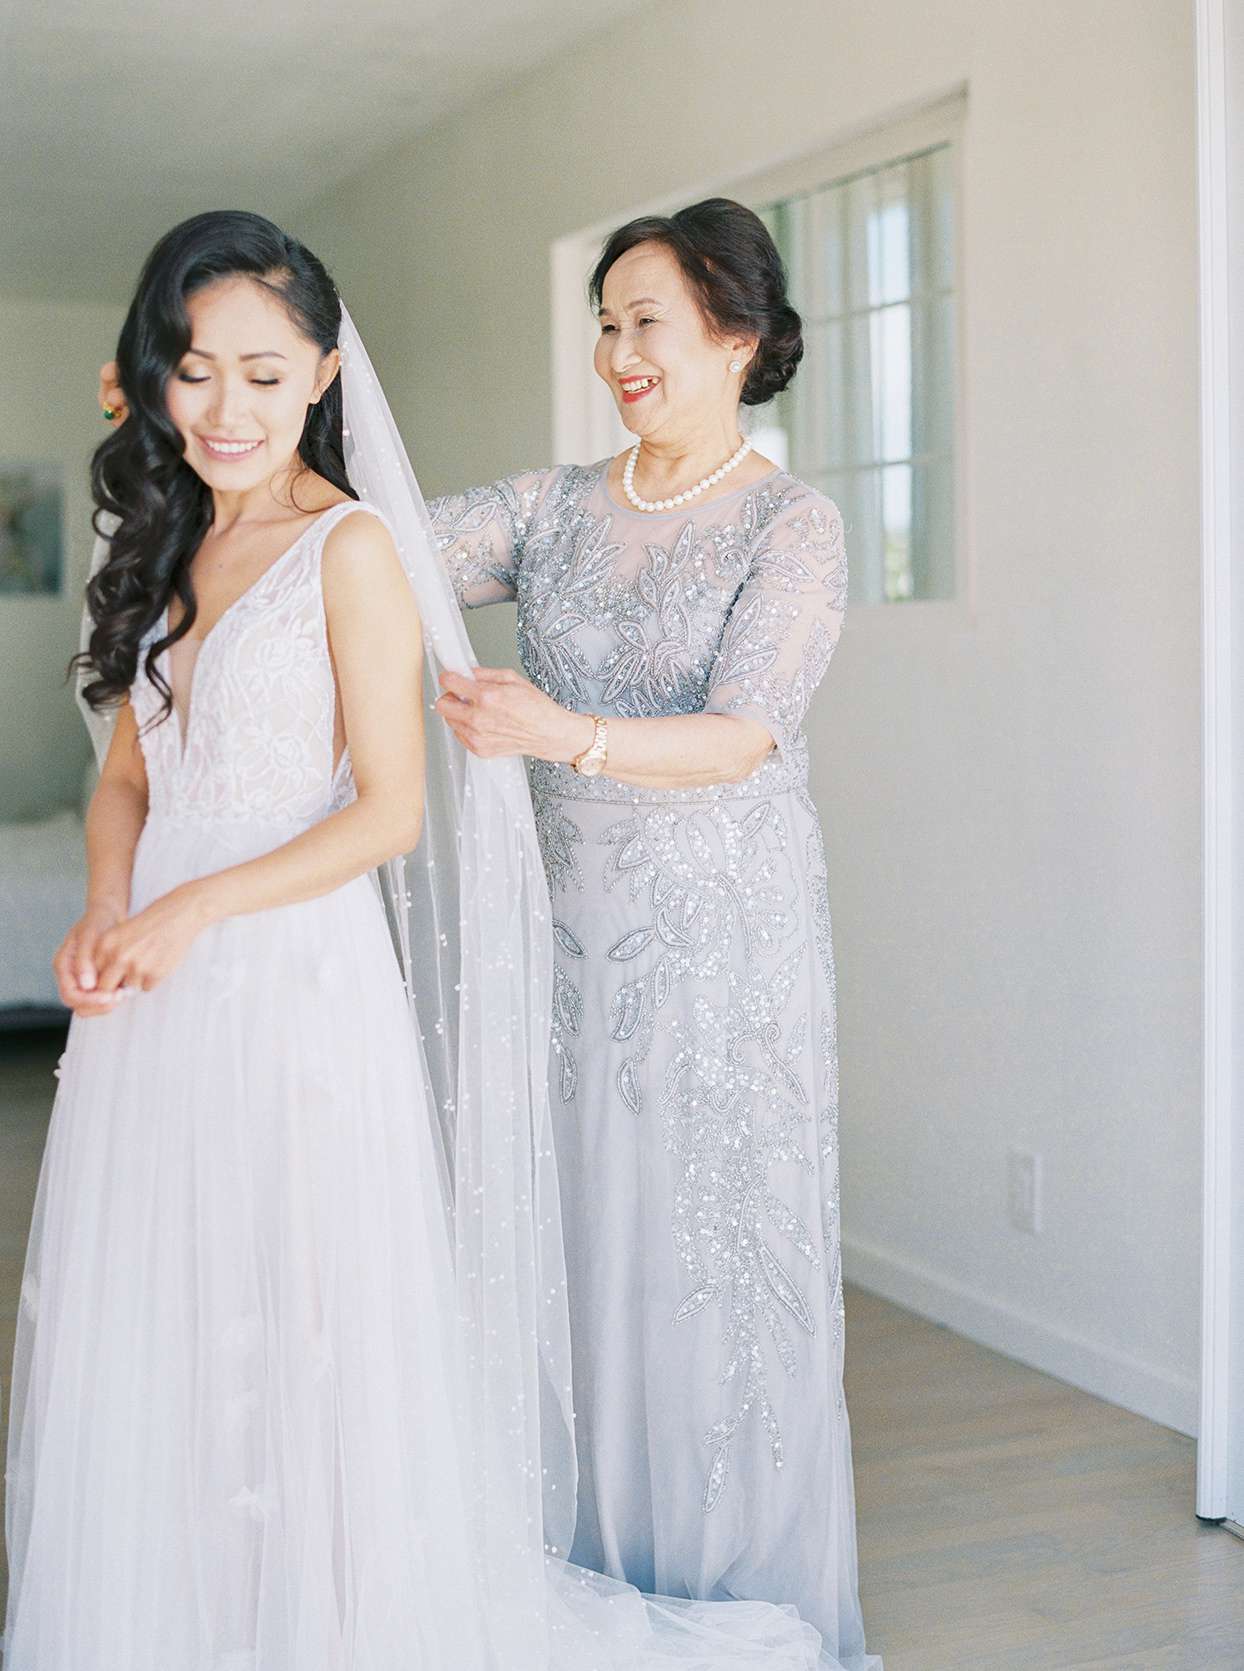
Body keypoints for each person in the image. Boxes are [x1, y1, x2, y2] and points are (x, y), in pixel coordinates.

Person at [11, 208, 864, 1670]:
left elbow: (751, 730)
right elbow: (374, 533)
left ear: (737, 335)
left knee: (721, 1255)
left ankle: (742, 1556)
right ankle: (544, 1532)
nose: (616, 351)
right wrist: (200, 398)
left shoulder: (793, 521)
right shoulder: (548, 506)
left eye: (645, 321)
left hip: (725, 923)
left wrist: (562, 729)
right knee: (582, 1237)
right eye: (605, 321)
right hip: (572, 928)